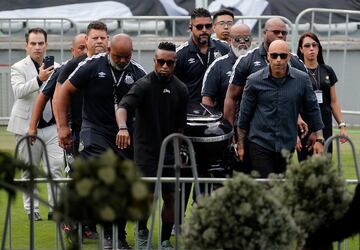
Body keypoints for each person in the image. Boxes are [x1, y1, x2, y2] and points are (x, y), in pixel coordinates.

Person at [56, 33, 146, 249]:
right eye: (118, 57)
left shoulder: (137, 72)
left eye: (127, 56)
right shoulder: (91, 66)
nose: (123, 61)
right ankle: (103, 233)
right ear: (108, 52)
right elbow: (63, 93)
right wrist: (63, 126)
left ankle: (118, 236)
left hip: (124, 133)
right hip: (94, 129)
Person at [116, 41, 188, 249]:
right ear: (154, 61)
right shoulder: (143, 85)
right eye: (161, 62)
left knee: (172, 197)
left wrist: (181, 149)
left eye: (169, 63)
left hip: (170, 153)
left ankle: (165, 239)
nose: (165, 66)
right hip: (146, 152)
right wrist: (122, 127)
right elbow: (123, 107)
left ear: (175, 63)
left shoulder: (181, 89)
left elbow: (180, 126)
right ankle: (141, 230)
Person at [236, 40, 324, 178]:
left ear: (289, 57)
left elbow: (313, 108)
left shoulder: (302, 79)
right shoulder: (254, 81)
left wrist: (319, 139)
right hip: (260, 143)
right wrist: (240, 145)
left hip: (286, 144)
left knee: (281, 189)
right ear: (268, 57)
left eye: (283, 56)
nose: (278, 60)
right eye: (274, 55)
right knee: (266, 188)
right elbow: (244, 115)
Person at [7, 28, 63, 221]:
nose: (37, 47)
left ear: (46, 45)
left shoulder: (57, 66)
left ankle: (55, 208)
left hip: (52, 125)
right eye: (33, 43)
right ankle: (32, 209)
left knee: (56, 167)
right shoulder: (18, 67)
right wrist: (39, 79)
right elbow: (18, 92)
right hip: (26, 126)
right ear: (26, 46)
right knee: (29, 169)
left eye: (40, 43)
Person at [224, 17, 307, 126]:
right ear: (264, 33)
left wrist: (313, 130)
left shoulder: (295, 61)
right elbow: (231, 97)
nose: (281, 35)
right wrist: (229, 130)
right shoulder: (247, 60)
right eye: (276, 32)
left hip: (288, 130)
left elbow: (308, 100)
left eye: (284, 33)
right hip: (256, 131)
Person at [296, 32, 348, 160]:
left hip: (325, 124)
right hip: (305, 127)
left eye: (315, 45)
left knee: (325, 166)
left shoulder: (327, 70)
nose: (311, 48)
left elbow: (334, 102)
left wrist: (342, 125)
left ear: (319, 48)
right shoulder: (297, 72)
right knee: (306, 167)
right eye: (307, 46)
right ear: (301, 49)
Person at [175, 7, 229, 102]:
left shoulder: (224, 48)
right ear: (190, 27)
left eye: (208, 26)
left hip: (217, 111)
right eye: (199, 27)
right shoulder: (180, 54)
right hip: (191, 111)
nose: (204, 30)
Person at [202, 23, 252, 112]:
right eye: (237, 39)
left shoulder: (258, 63)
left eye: (246, 39)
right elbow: (207, 98)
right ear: (229, 40)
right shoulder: (217, 65)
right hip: (225, 121)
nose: (242, 42)